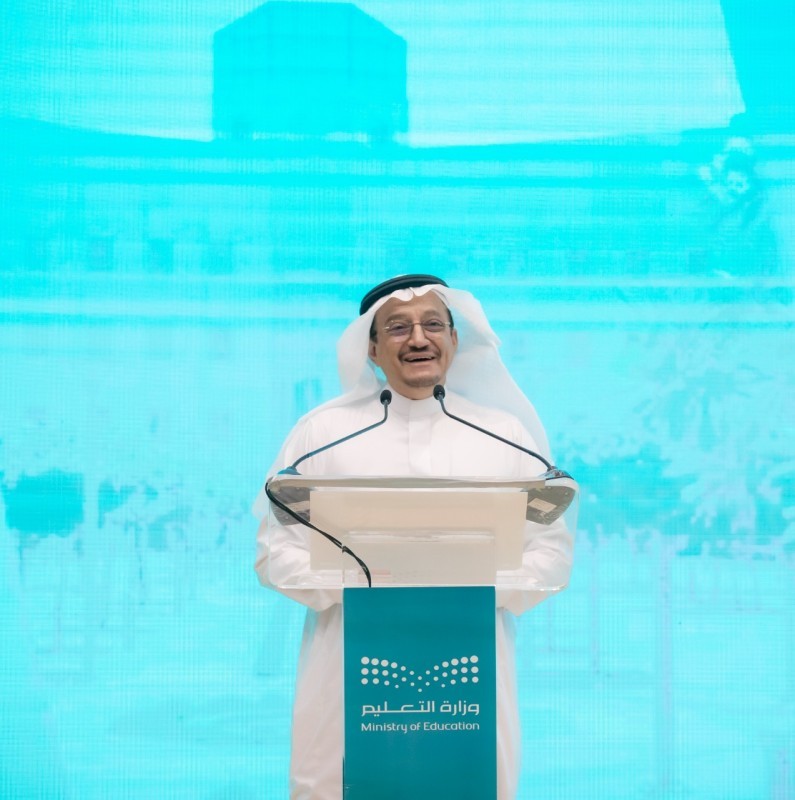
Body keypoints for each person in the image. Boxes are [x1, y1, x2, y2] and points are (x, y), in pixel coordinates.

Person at [253, 275, 573, 799]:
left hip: (471, 665)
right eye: (398, 328)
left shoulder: (504, 435)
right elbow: (274, 551)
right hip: (346, 664)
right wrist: (366, 583)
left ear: (455, 339)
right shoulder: (322, 434)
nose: (418, 339)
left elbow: (551, 551)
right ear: (371, 348)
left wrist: (471, 585)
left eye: (432, 325)